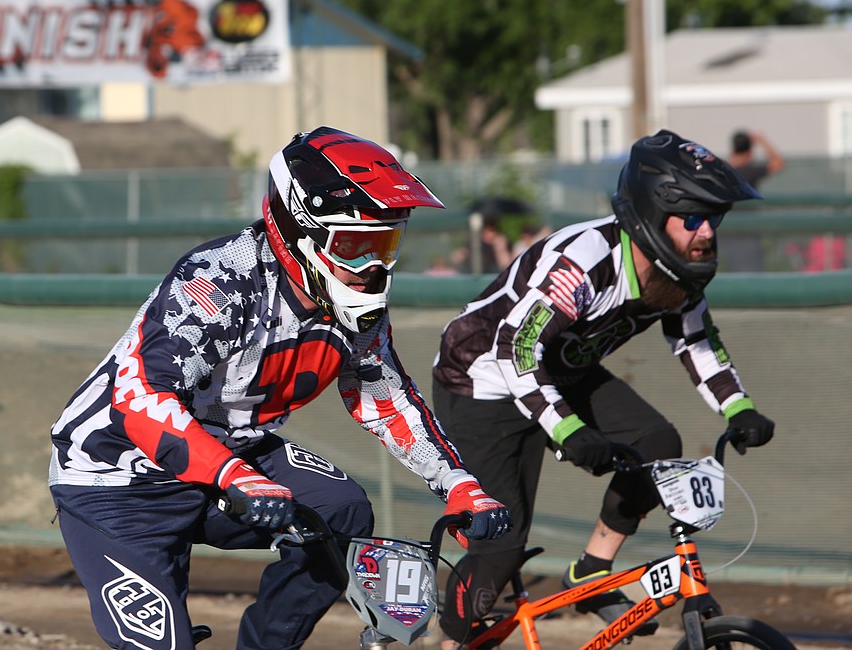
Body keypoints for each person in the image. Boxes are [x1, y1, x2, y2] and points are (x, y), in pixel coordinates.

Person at [48, 126, 512, 650]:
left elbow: (385, 401)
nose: (373, 269)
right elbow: (140, 399)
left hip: (231, 454)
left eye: (385, 245)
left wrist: (458, 483)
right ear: (299, 230)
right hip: (117, 476)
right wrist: (233, 475)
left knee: (341, 511)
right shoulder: (219, 280)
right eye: (355, 246)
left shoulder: (354, 306)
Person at [431, 129, 777, 645]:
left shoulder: (679, 271)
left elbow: (696, 340)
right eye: (692, 218)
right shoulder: (585, 262)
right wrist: (568, 430)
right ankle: (450, 636)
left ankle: (591, 570)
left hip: (560, 370)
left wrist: (739, 408)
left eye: (714, 218)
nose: (707, 232)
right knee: (499, 545)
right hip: (481, 381)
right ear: (653, 213)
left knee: (656, 443)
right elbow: (514, 351)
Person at [724, 128, 785, 272]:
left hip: (728, 231)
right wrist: (762, 141)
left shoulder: (724, 169)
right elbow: (778, 163)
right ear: (749, 152)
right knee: (751, 272)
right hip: (748, 232)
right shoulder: (750, 170)